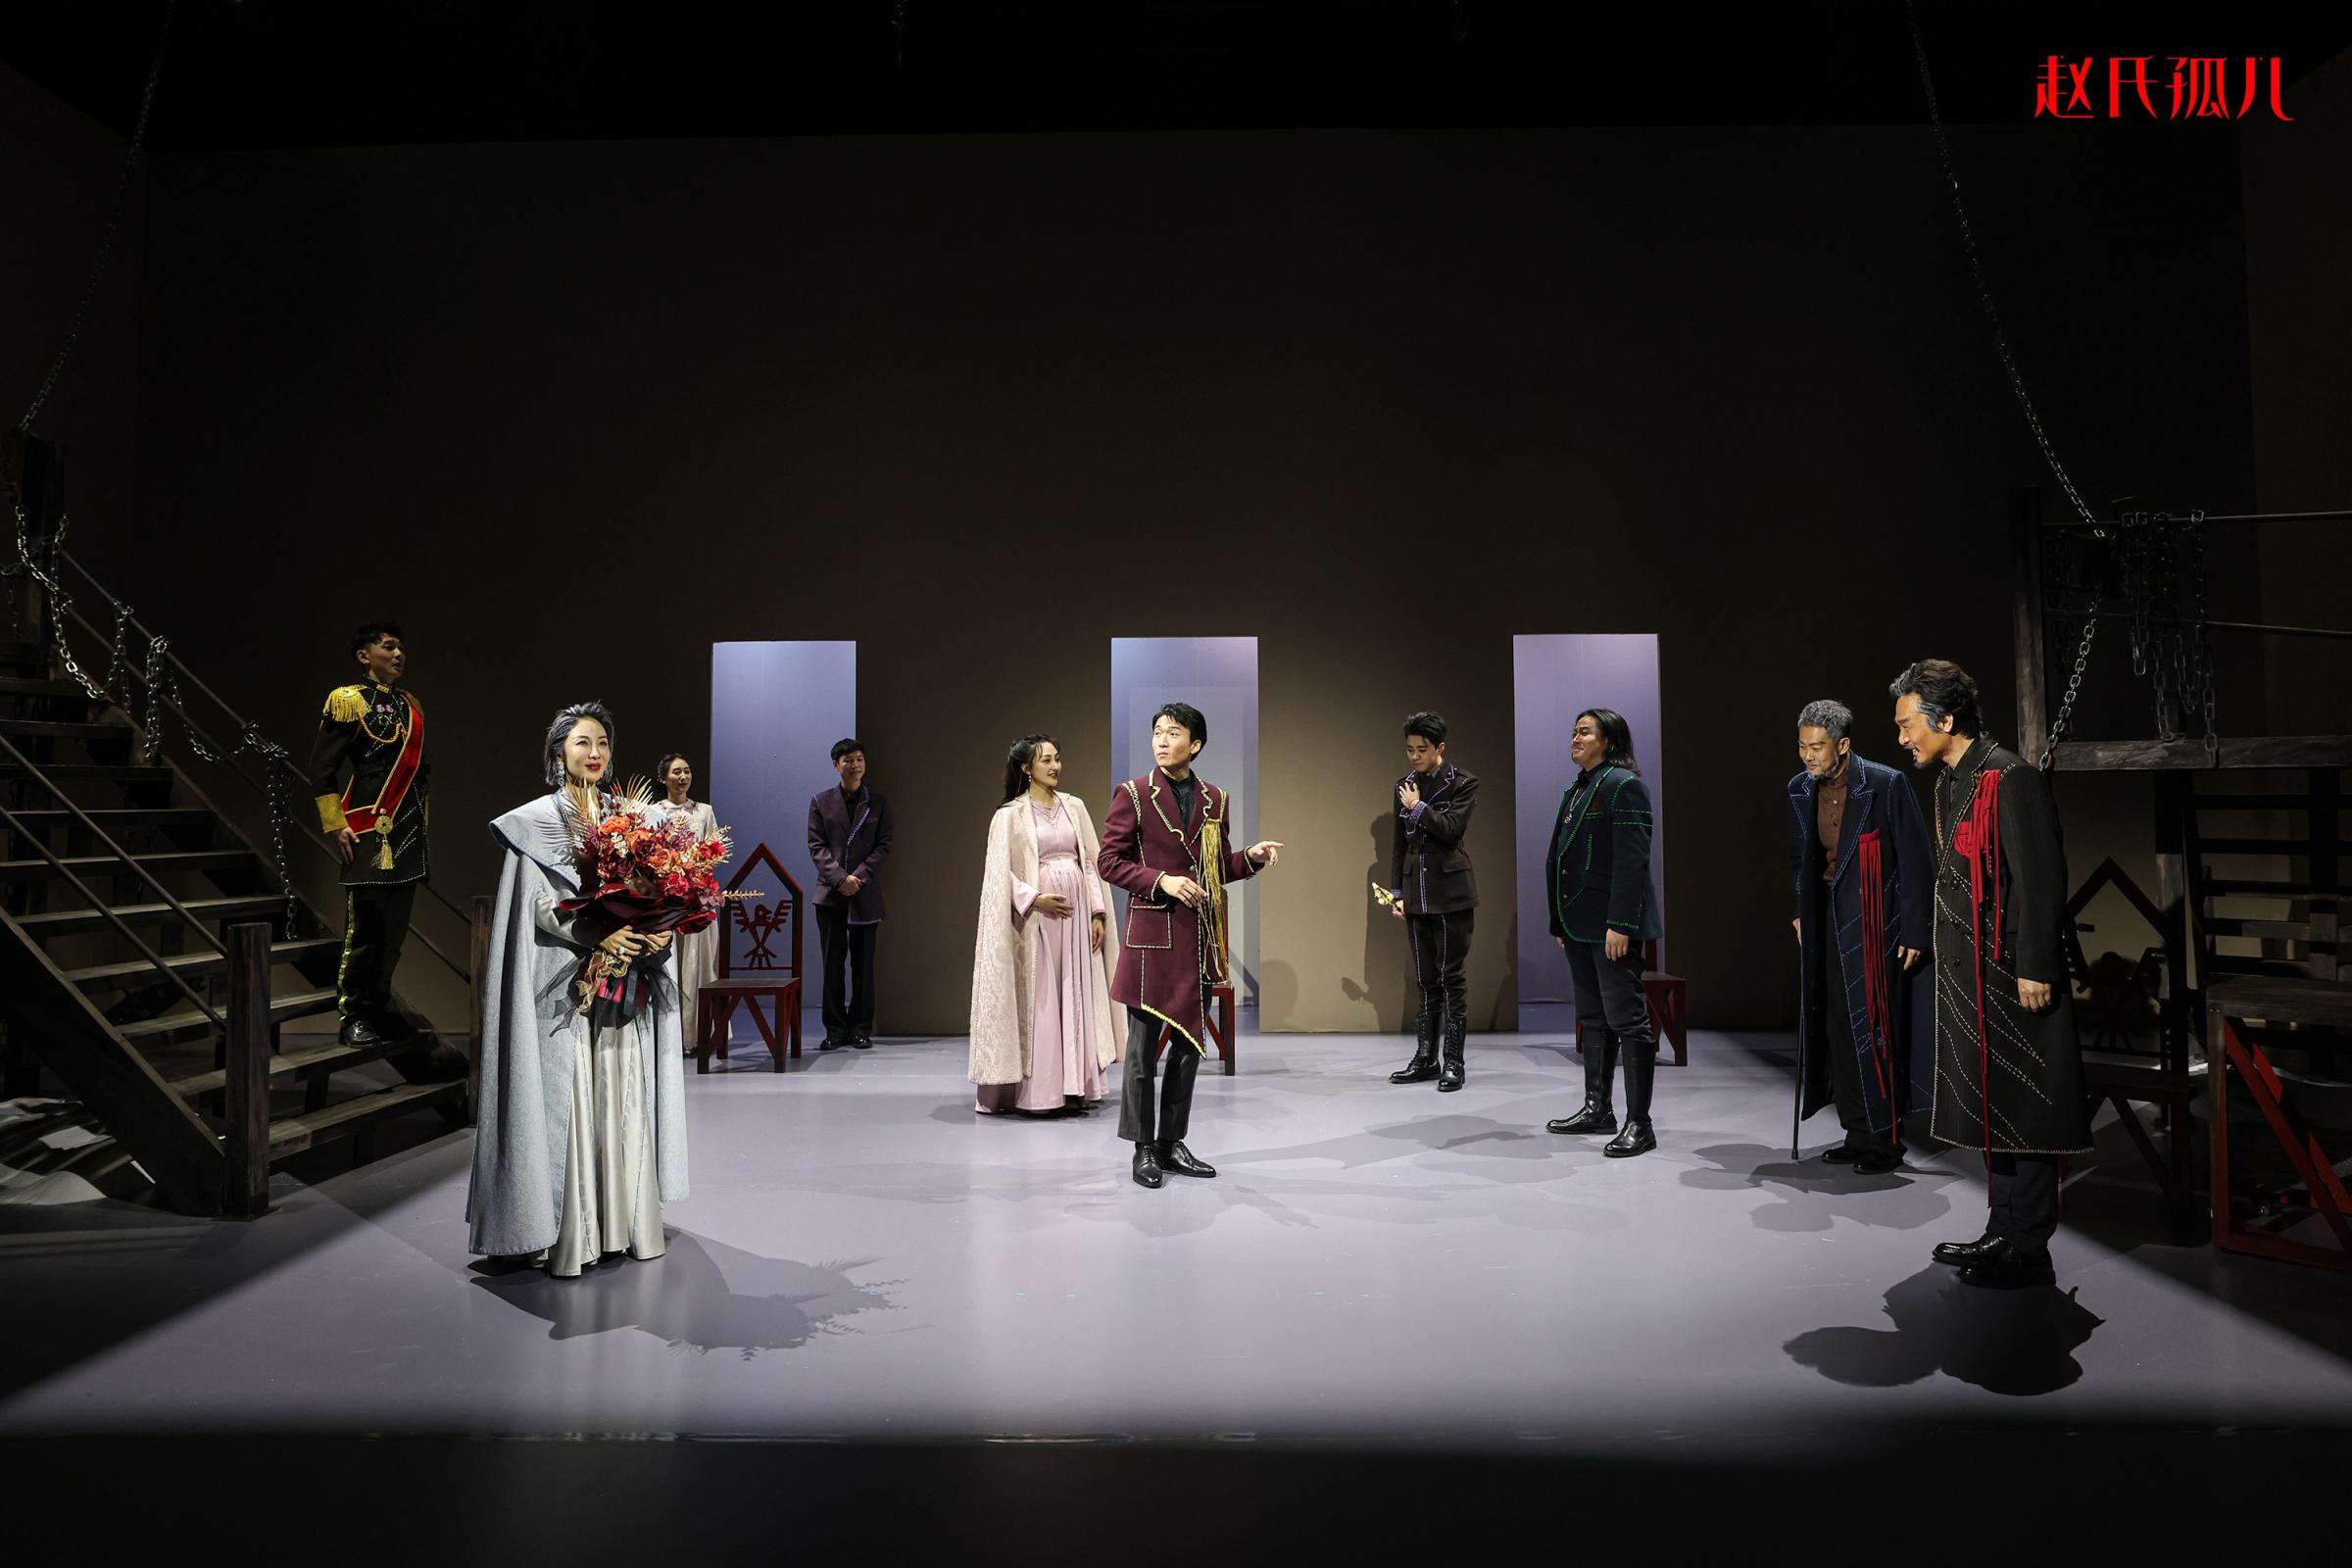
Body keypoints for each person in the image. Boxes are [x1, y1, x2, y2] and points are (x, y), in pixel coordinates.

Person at [466, 702, 689, 1278]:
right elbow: (539, 904)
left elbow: (655, 888)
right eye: (582, 742)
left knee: (620, 1090)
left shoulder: (628, 817)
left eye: (603, 743)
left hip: (623, 982)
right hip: (564, 981)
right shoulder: (534, 821)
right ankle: (569, 1231)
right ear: (558, 752)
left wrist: (654, 929)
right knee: (570, 1096)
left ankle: (620, 1225)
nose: (594, 753)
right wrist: (597, 932)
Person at [1891, 659, 2090, 1289]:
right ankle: (2002, 1230)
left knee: (2025, 1109)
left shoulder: (2011, 777)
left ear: (1946, 720)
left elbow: (2040, 878)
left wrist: (2037, 965)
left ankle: (2029, 1250)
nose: (1902, 737)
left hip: (2012, 974)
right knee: (1991, 1106)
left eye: (1908, 724)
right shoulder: (1951, 783)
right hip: (1969, 975)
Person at [1097, 702, 1284, 1189]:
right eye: (1157, 732)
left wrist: (1251, 857)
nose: (1162, 741)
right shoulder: (1134, 795)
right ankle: (1142, 1147)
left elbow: (1215, 867)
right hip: (1151, 941)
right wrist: (1162, 881)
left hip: (1198, 938)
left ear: (1194, 744)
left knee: (1187, 1048)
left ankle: (1171, 1142)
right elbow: (1109, 862)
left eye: (1173, 733)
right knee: (1141, 1055)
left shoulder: (1216, 799)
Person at [1786, 699, 1933, 1173]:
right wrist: (1801, 911)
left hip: (1875, 922)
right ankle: (1856, 1130)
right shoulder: (1800, 789)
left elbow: (1916, 860)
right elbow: (1800, 858)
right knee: (1836, 1025)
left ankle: (1884, 1142)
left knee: (1875, 1027)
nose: (1808, 756)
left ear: (1843, 744)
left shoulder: (1885, 784)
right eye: (1803, 746)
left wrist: (1915, 930)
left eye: (1817, 747)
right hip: (1827, 920)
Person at [307, 620, 456, 1076]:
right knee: (365, 932)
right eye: (388, 647)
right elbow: (322, 771)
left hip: (406, 836)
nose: (398, 654)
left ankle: (379, 1007)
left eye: (400, 648)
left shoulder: (410, 705)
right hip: (371, 830)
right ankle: (353, 1015)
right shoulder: (348, 700)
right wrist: (335, 825)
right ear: (364, 656)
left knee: (392, 936)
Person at [969, 734, 1125, 1114]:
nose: (1055, 766)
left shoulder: (1074, 806)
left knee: (1074, 993)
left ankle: (1075, 1087)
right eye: (1046, 760)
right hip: (1037, 920)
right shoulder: (1010, 815)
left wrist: (1098, 913)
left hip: (1075, 919)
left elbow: (1090, 862)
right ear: (1026, 768)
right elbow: (998, 874)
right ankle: (1042, 1093)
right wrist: (1033, 897)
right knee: (1044, 999)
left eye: (1057, 758)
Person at [1543, 708, 1663, 1156]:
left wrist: (1622, 924)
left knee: (1628, 1021)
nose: (1575, 738)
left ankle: (1640, 1124)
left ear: (1608, 741)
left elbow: (1633, 864)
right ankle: (1598, 1109)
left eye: (1585, 732)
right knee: (1593, 1019)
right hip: (1579, 925)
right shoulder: (1577, 789)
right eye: (1574, 731)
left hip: (1611, 927)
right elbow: (1560, 859)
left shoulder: (1623, 785)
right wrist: (1559, 921)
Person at [1383, 710, 1481, 1092]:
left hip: (1451, 894)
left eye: (1421, 749)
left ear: (1440, 748)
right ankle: (1425, 1058)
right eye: (1409, 749)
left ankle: (1454, 1061)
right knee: (1425, 979)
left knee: (1451, 977)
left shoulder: (1463, 783)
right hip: (1416, 894)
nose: (1414, 756)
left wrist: (1418, 807)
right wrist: (1397, 893)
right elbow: (1398, 845)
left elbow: (1452, 830)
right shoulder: (1403, 785)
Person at [808, 738, 893, 1050]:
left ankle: (860, 1027)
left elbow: (884, 845)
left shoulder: (878, 802)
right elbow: (816, 846)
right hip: (830, 894)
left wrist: (858, 877)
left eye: (859, 759)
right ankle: (834, 1029)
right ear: (836, 765)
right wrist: (840, 879)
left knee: (863, 965)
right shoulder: (821, 801)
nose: (855, 765)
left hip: (864, 892)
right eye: (848, 761)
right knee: (832, 964)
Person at [648, 753, 721, 1058]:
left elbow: (715, 852)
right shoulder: (652, 811)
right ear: (663, 778)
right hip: (665, 901)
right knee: (667, 963)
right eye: (676, 772)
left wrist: (695, 873)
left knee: (698, 964)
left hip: (696, 899)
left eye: (687, 771)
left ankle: (697, 1034)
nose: (683, 777)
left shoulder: (704, 811)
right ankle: (667, 1036)